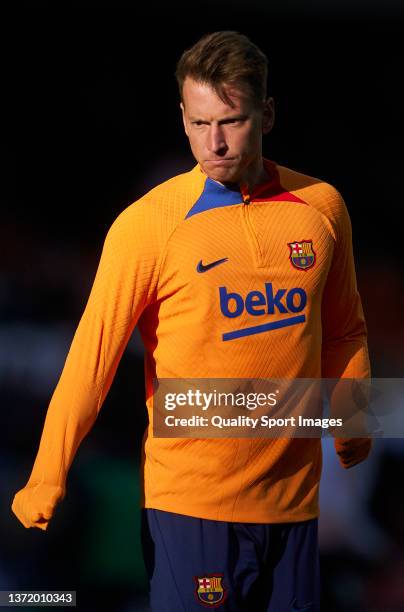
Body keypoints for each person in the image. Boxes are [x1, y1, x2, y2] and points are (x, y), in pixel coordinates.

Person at [12, 31, 372, 611]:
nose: (217, 143)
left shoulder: (323, 208)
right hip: (190, 509)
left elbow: (345, 329)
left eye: (231, 121)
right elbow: (91, 360)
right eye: (200, 124)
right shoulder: (149, 225)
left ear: (268, 114)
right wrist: (47, 474)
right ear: (182, 117)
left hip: (296, 506)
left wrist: (356, 416)